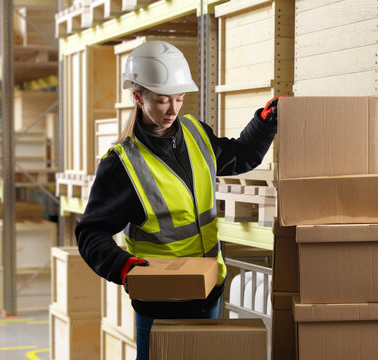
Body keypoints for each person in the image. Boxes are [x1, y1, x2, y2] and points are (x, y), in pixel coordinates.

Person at [75, 40, 279, 360]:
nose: (173, 110)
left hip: (208, 291)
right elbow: (90, 234)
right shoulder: (121, 164)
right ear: (138, 97)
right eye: (162, 101)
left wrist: (265, 122)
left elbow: (240, 157)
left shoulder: (196, 134)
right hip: (159, 304)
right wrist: (124, 267)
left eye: (179, 99)